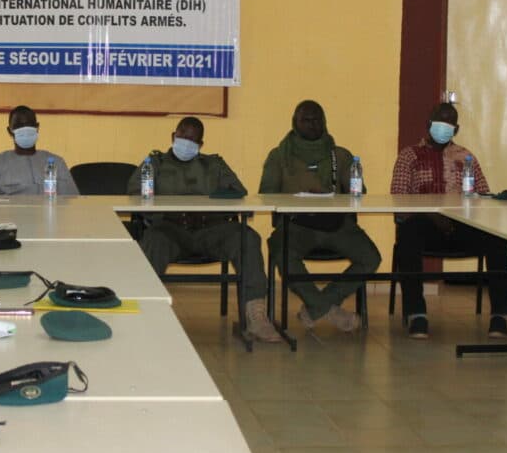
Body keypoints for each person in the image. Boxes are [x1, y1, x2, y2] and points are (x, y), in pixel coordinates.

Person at [128, 116, 282, 343]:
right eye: (182, 136)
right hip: (171, 229)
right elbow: (133, 192)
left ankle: (256, 315)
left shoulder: (214, 165)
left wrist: (215, 202)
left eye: (193, 139)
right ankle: (148, 311)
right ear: (173, 136)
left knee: (247, 237)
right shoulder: (154, 163)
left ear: (201, 145)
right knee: (152, 240)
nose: (186, 142)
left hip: (211, 229)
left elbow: (239, 193)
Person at [390, 102, 507, 339]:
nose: (444, 127)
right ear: (428, 125)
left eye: (450, 123)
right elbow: (399, 202)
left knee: (498, 238)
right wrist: (432, 213)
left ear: (456, 129)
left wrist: (463, 214)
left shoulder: (466, 157)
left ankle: (499, 315)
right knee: (407, 234)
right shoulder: (409, 156)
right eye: (439, 121)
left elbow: (484, 197)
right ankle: (417, 314)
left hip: (462, 225)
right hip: (424, 226)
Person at [258, 100, 381, 333]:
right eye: (306, 120)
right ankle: (327, 309)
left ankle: (316, 307)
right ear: (295, 122)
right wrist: (297, 198)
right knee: (281, 253)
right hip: (296, 225)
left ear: (324, 123)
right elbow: (266, 195)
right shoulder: (279, 156)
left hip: (336, 224)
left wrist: (331, 196)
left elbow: (358, 194)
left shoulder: (341, 156)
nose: (312, 125)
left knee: (370, 257)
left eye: (317, 120)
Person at [0, 105, 79, 196]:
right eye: (19, 126)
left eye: (29, 125)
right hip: (9, 217)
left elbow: (72, 202)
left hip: (48, 216)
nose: (25, 129)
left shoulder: (57, 162)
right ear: (10, 131)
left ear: (37, 127)